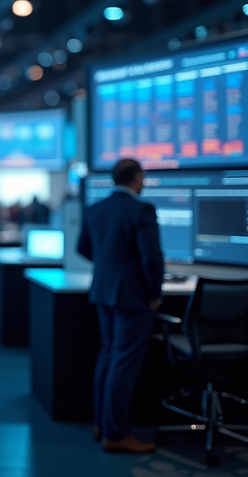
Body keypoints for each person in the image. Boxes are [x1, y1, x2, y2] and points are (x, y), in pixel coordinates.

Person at [77, 158, 163, 454]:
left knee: (108, 357)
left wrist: (109, 268)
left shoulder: (94, 209)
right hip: (133, 297)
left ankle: (101, 424)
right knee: (123, 364)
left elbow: (82, 247)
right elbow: (151, 258)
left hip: (103, 292)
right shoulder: (142, 209)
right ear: (137, 178)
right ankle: (115, 434)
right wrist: (154, 293)